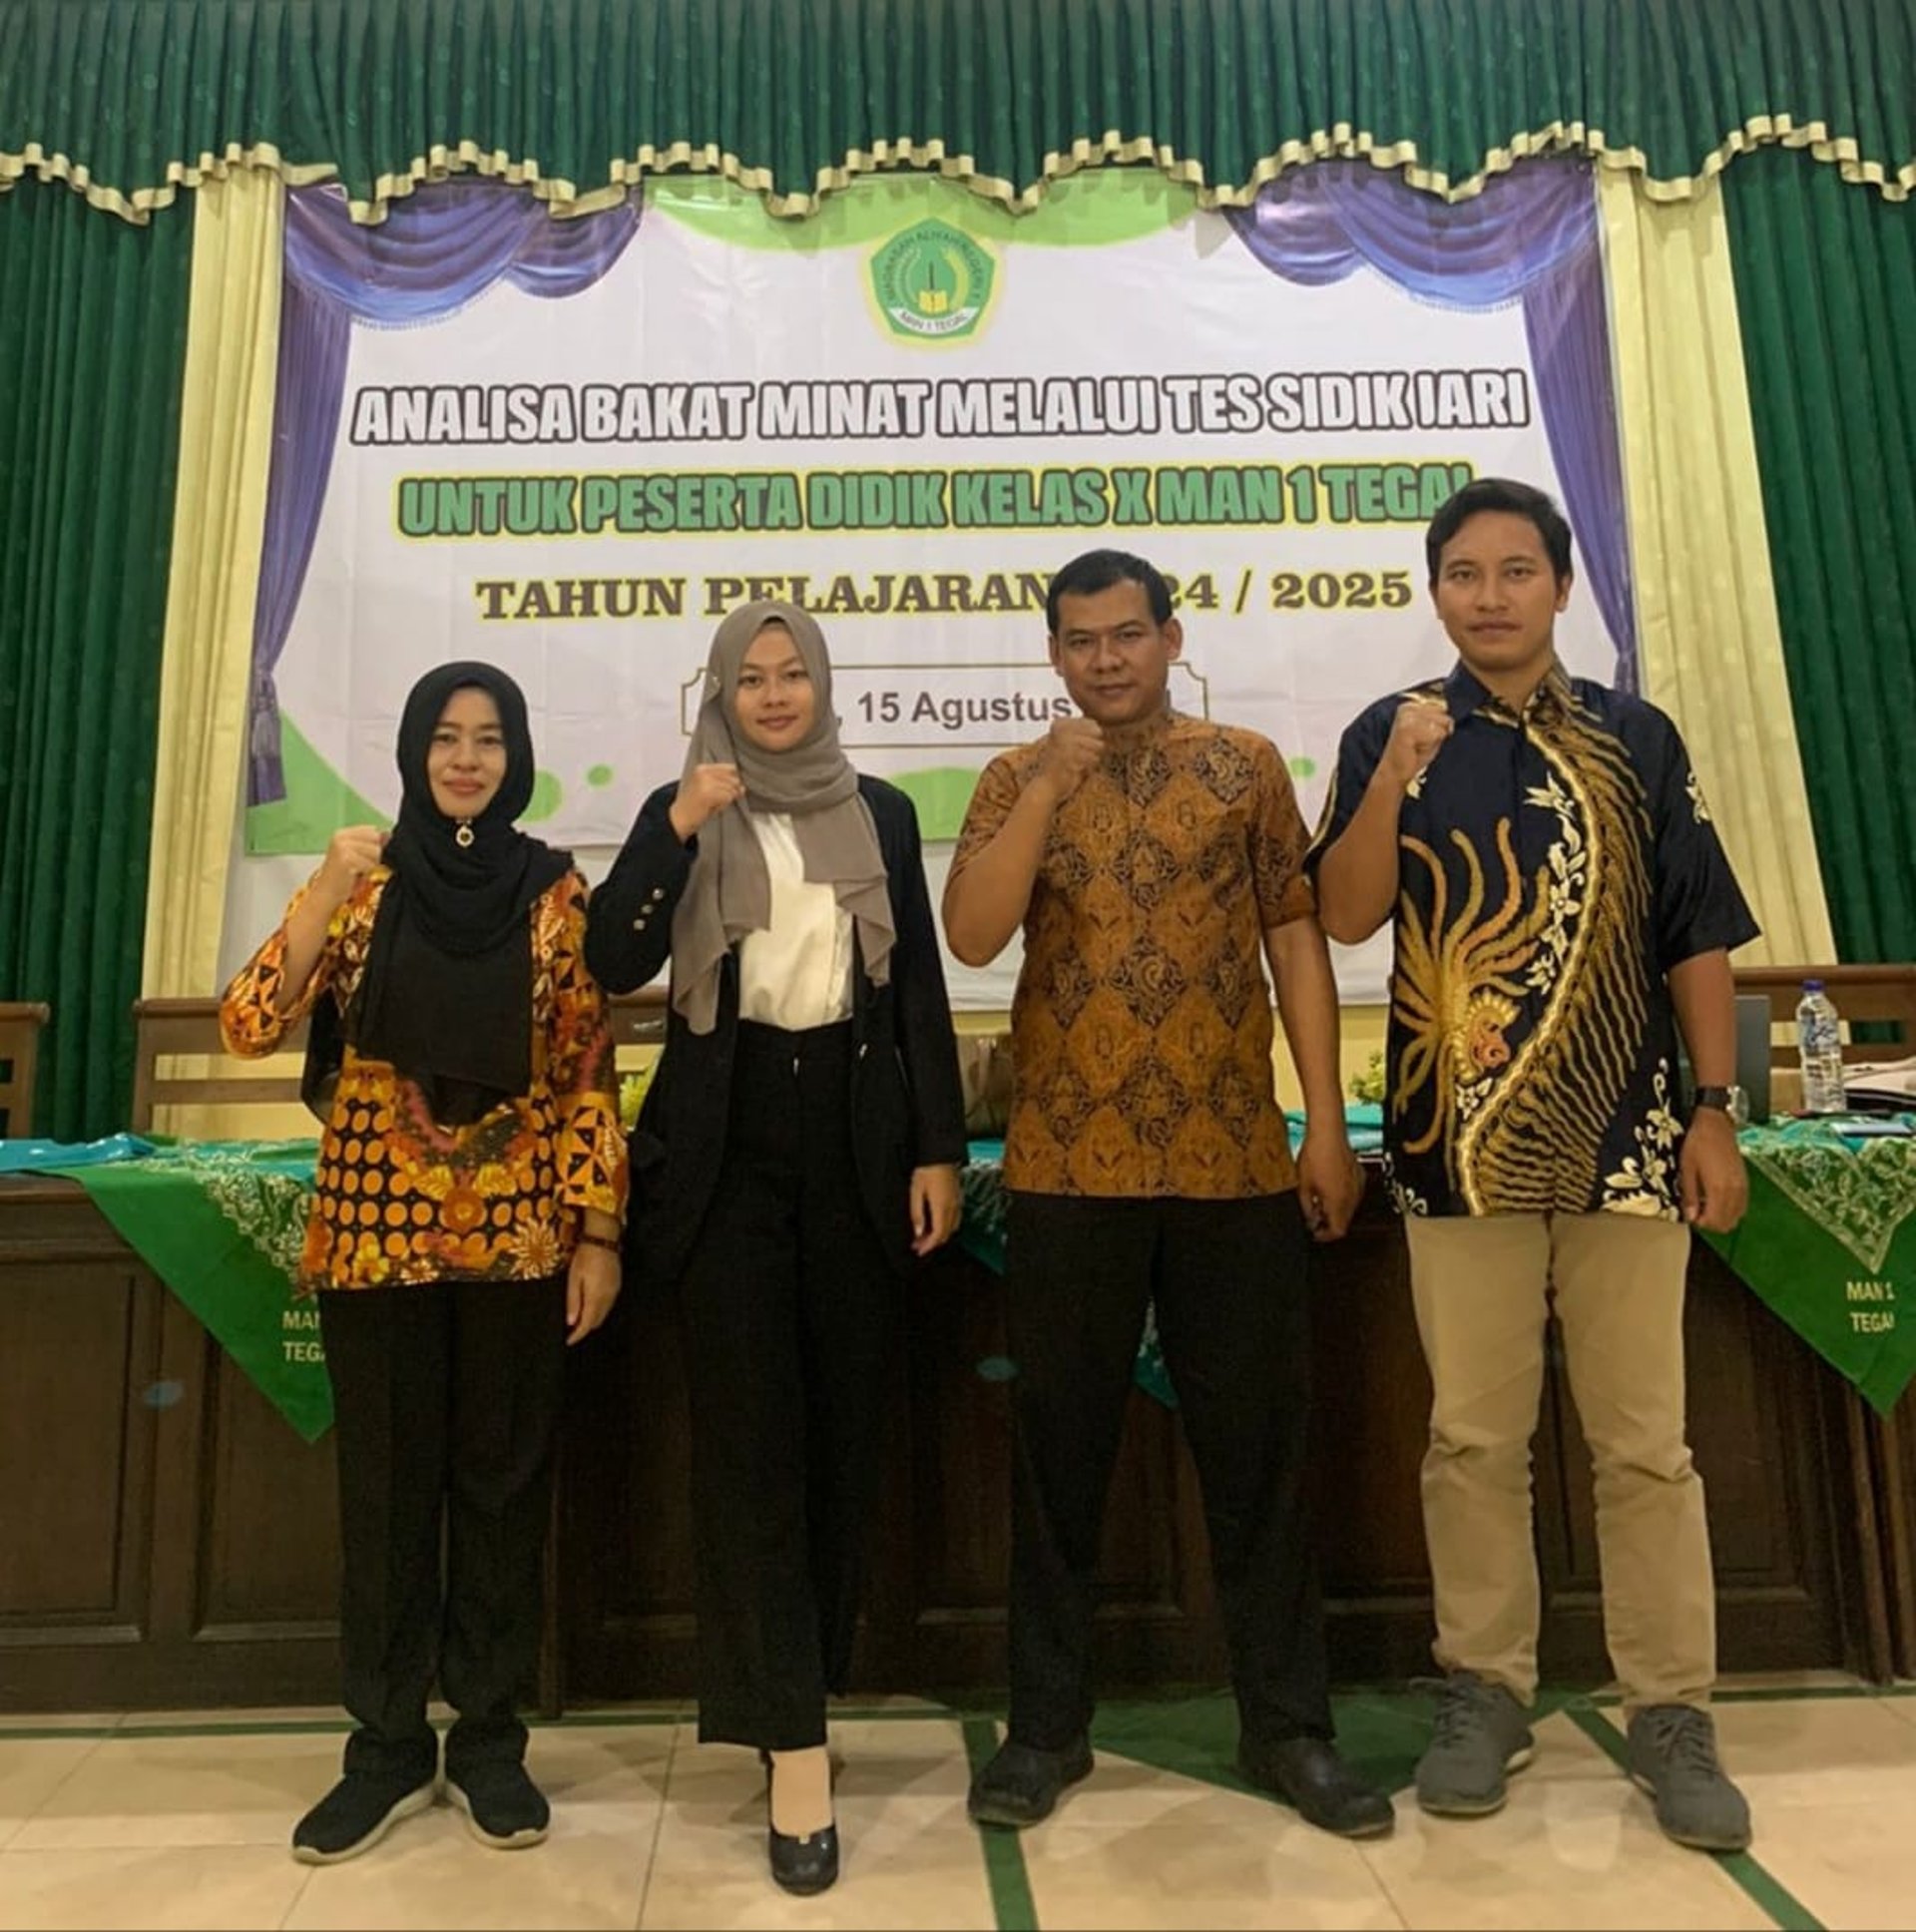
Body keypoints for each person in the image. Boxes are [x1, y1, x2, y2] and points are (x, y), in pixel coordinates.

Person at [1309, 477, 1757, 1851]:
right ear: (1435, 591)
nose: (1490, 594)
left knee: (1645, 1447)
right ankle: (1484, 1691)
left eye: (1516, 570)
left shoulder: (1638, 739)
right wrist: (1390, 779)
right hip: (1459, 1145)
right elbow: (1341, 912)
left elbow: (1694, 933)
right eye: (1463, 572)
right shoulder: (1396, 731)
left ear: (1562, 587)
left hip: (1629, 1140)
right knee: (1471, 1439)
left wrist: (1716, 1107)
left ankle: (1671, 1713)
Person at [943, 548, 1392, 1840]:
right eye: (1081, 641)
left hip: (1232, 1164)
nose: (1106, 659)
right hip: (1068, 1169)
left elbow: (1296, 936)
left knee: (1259, 1461)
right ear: (1053, 655)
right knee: (1058, 1465)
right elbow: (972, 935)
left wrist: (1320, 1122)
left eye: (1128, 635)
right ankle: (1043, 1732)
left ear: (1171, 636)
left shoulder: (1243, 764)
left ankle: (1291, 1731)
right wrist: (1049, 791)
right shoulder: (1016, 777)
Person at [583, 601, 966, 1895]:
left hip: (853, 1147)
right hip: (727, 1149)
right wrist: (671, 826)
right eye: (751, 676)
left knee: (838, 1441)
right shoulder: (687, 807)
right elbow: (611, 954)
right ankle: (793, 1748)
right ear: (722, 694)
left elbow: (913, 995)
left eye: (793, 670)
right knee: (748, 1451)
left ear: (821, 682)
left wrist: (936, 1149)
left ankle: (798, 1686)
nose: (776, 692)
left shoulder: (884, 812)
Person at [220, 663, 628, 1864]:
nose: (465, 758)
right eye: (445, 738)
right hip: (373, 1241)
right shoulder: (364, 879)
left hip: (515, 1242)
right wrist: (325, 889)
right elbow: (250, 1020)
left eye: (489, 738)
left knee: (501, 1498)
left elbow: (587, 1071)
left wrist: (597, 1232)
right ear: (411, 751)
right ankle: (387, 1749)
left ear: (517, 755)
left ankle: (491, 1743)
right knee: (387, 1504)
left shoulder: (553, 894)